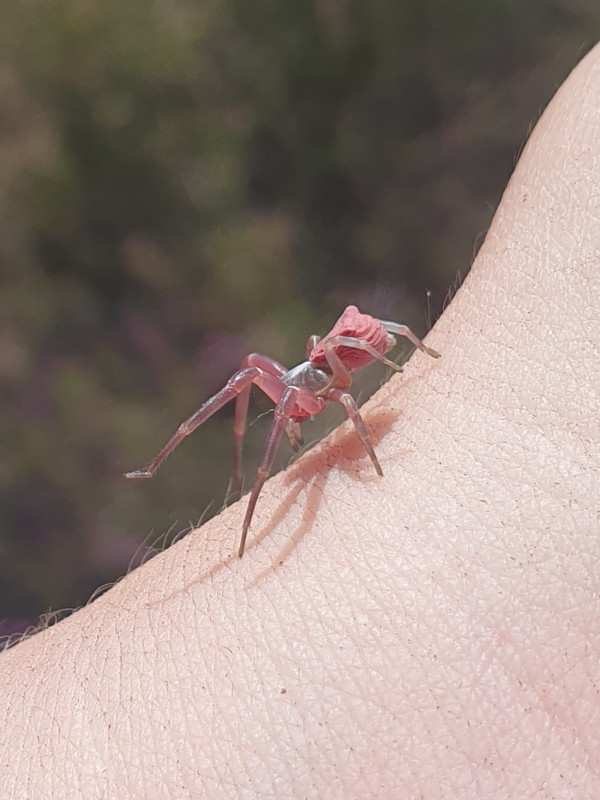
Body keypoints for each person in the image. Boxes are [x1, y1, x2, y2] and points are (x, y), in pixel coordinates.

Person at [1, 43, 599, 800]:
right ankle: (174, 469)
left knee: (293, 383)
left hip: (350, 361)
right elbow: (292, 386)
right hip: (334, 364)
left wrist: (404, 364)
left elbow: (353, 376)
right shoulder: (294, 382)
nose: (286, 404)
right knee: (249, 374)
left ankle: (244, 513)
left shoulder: (334, 379)